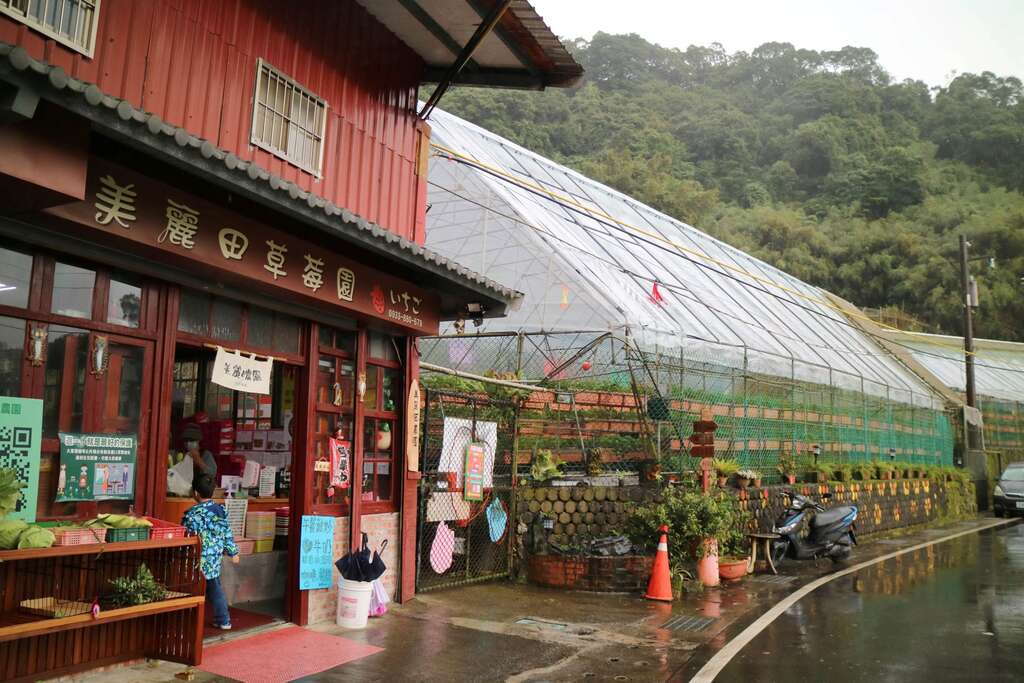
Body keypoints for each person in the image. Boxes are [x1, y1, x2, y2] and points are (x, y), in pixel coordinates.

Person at [182, 476, 239, 630]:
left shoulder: (191, 514)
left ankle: (189, 623)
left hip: (196, 557)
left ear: (195, 492)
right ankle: (224, 620)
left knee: (192, 588)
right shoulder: (221, 510)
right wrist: (233, 551)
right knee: (214, 586)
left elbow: (186, 534)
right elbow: (227, 531)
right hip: (214, 557)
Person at [181, 423, 217, 495]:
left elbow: (212, 473)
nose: (188, 443)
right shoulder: (181, 454)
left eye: (191, 440)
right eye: (186, 441)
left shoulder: (206, 455)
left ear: (198, 441)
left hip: (200, 495)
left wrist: (198, 460)